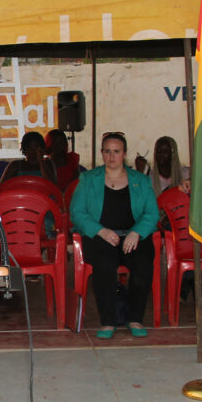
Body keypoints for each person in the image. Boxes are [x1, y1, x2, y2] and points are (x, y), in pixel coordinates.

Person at [70, 132, 159, 339]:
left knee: (143, 260)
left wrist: (136, 232)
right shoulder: (88, 179)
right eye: (107, 151)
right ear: (102, 153)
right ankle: (108, 321)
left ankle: (135, 318)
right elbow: (77, 213)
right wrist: (100, 230)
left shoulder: (141, 180)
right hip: (100, 237)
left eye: (116, 151)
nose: (112, 156)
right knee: (104, 264)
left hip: (132, 237)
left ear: (124, 154)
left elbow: (152, 213)